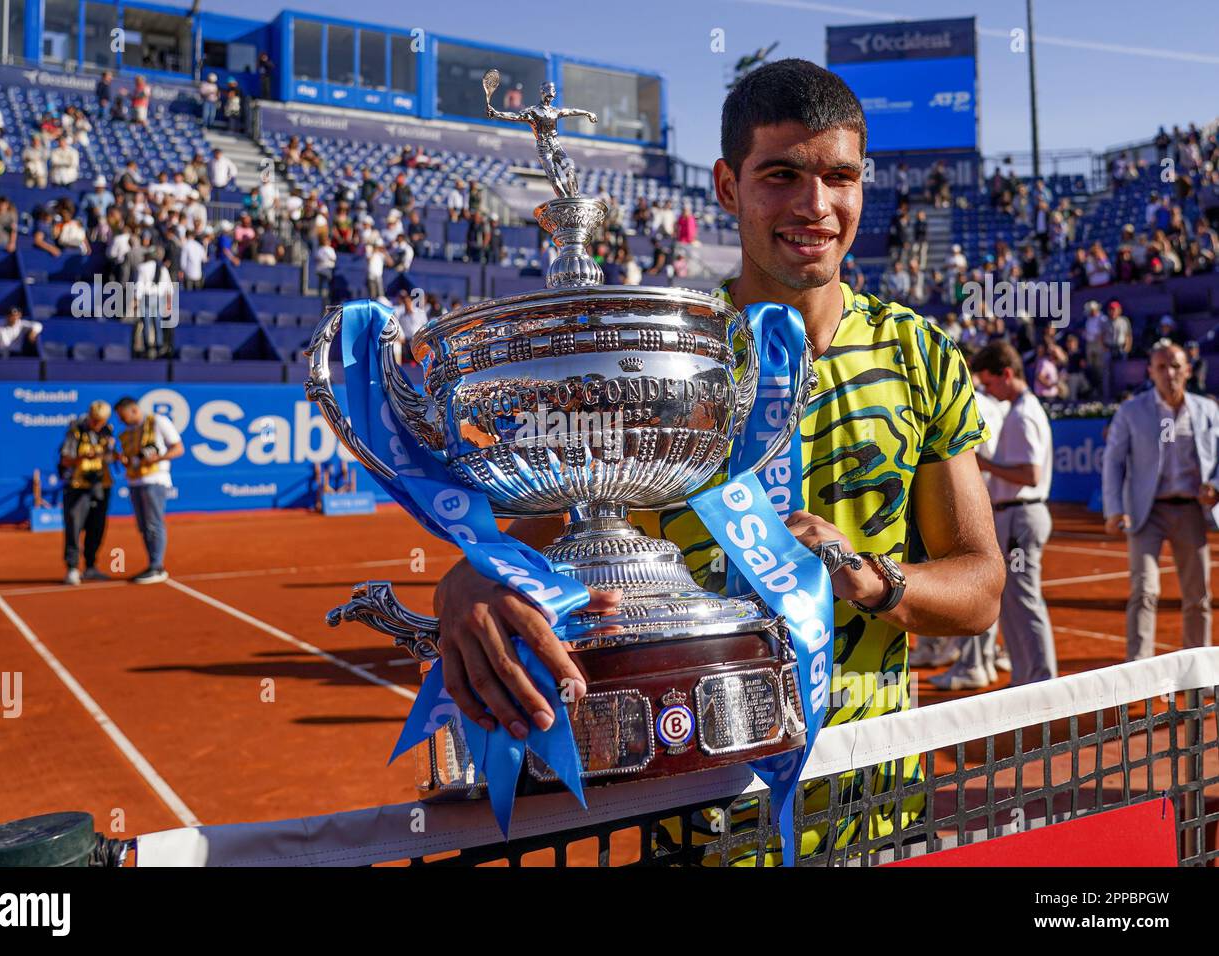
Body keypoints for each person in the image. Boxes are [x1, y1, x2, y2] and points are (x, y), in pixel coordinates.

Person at [428, 58, 1004, 861]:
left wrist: (870, 577)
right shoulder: (661, 360)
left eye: (840, 176)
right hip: (693, 821)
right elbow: (535, 533)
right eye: (782, 175)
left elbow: (979, 587)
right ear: (728, 188)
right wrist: (471, 578)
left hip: (881, 808)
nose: (816, 205)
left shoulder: (920, 354)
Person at [1103, 340, 1219, 659]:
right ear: (1150, 372)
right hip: (1146, 512)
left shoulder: (1208, 410)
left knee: (1198, 595)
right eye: (1161, 367)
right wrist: (1114, 509)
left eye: (1176, 366)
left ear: (1188, 370)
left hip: (1191, 511)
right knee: (1144, 591)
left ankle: (1199, 675)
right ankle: (1138, 675)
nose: (1169, 373)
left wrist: (1215, 486)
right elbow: (1113, 462)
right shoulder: (1131, 411)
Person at [972, 341, 1058, 685]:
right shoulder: (1019, 410)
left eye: (990, 383)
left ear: (1007, 374)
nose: (988, 390)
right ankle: (1027, 677)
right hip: (1016, 516)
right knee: (1014, 601)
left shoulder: (1024, 414)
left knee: (1024, 599)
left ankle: (1040, 679)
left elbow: (1030, 474)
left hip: (1021, 517)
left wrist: (986, 464)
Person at [929, 377, 1011, 689]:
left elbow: (971, 456)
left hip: (972, 502)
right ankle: (982, 658)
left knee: (971, 577)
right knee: (985, 580)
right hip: (987, 501)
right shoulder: (995, 405)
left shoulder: (972, 402)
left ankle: (974, 662)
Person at [116, 397, 184, 584]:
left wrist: (157, 459)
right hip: (135, 481)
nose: (121, 421)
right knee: (144, 526)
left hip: (155, 479)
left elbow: (178, 448)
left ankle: (157, 567)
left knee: (154, 523)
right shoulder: (127, 433)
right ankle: (152, 564)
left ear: (133, 410)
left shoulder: (158, 421)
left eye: (123, 416)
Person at [59, 401, 118, 585]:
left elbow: (111, 456)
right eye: (94, 421)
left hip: (101, 485)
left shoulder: (107, 431)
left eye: (101, 421)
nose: (97, 424)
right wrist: (83, 458)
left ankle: (91, 566)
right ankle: (72, 568)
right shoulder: (75, 432)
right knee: (74, 527)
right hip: (77, 485)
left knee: (97, 527)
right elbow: (65, 460)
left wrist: (111, 453)